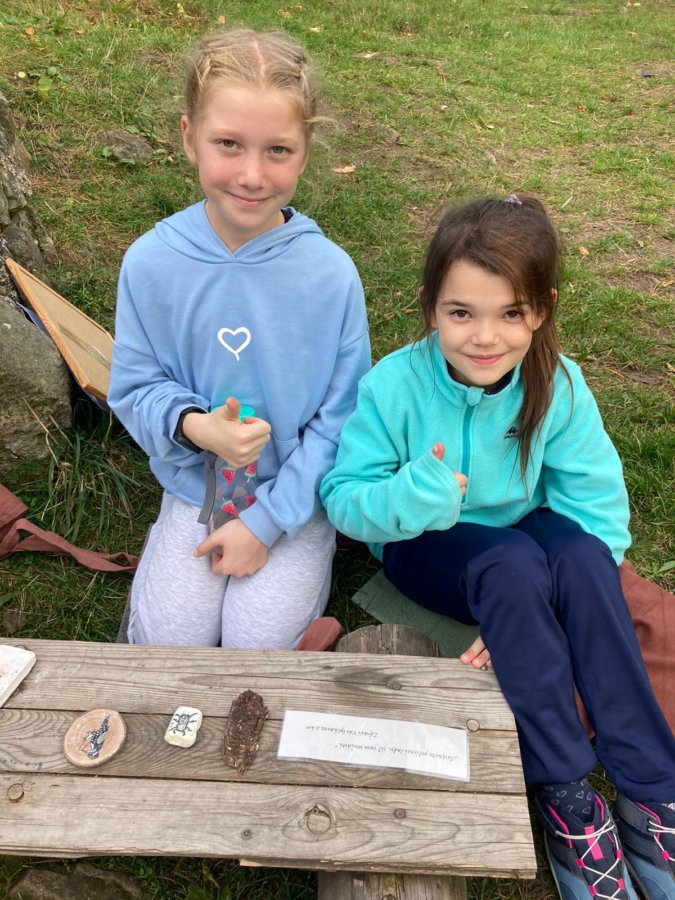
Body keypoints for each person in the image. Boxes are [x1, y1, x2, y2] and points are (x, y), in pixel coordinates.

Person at [321, 195, 675, 900]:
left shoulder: (557, 382)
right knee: (512, 566)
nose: (485, 337)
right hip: (427, 544)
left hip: (523, 529)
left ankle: (650, 790)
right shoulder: (392, 385)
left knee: (582, 557)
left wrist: (561, 599)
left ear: (541, 310)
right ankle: (566, 795)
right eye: (461, 312)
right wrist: (411, 494)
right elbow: (344, 498)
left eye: (510, 313)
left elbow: (595, 504)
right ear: (429, 307)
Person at [109, 29, 370, 651]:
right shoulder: (149, 263)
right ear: (189, 137)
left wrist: (268, 522)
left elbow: (343, 419)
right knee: (168, 644)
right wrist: (196, 426)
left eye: (278, 150)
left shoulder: (331, 276)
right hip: (192, 491)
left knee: (258, 647)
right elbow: (135, 386)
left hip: (294, 498)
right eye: (228, 144)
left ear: (305, 153)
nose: (252, 175)